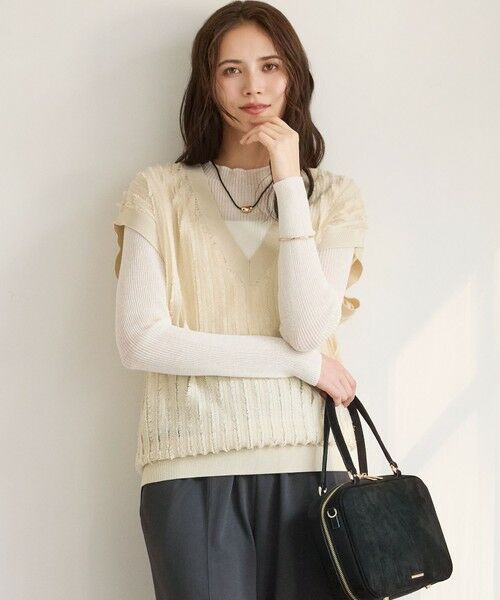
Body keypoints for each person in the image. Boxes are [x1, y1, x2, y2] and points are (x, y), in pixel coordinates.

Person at [113, 2, 368, 598]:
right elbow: (140, 341)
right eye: (232, 69)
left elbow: (305, 329)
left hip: (310, 468)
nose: (253, 86)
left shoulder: (333, 198)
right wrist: (303, 367)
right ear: (207, 82)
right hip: (188, 467)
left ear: (294, 75)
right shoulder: (158, 193)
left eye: (270, 66)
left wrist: (289, 181)